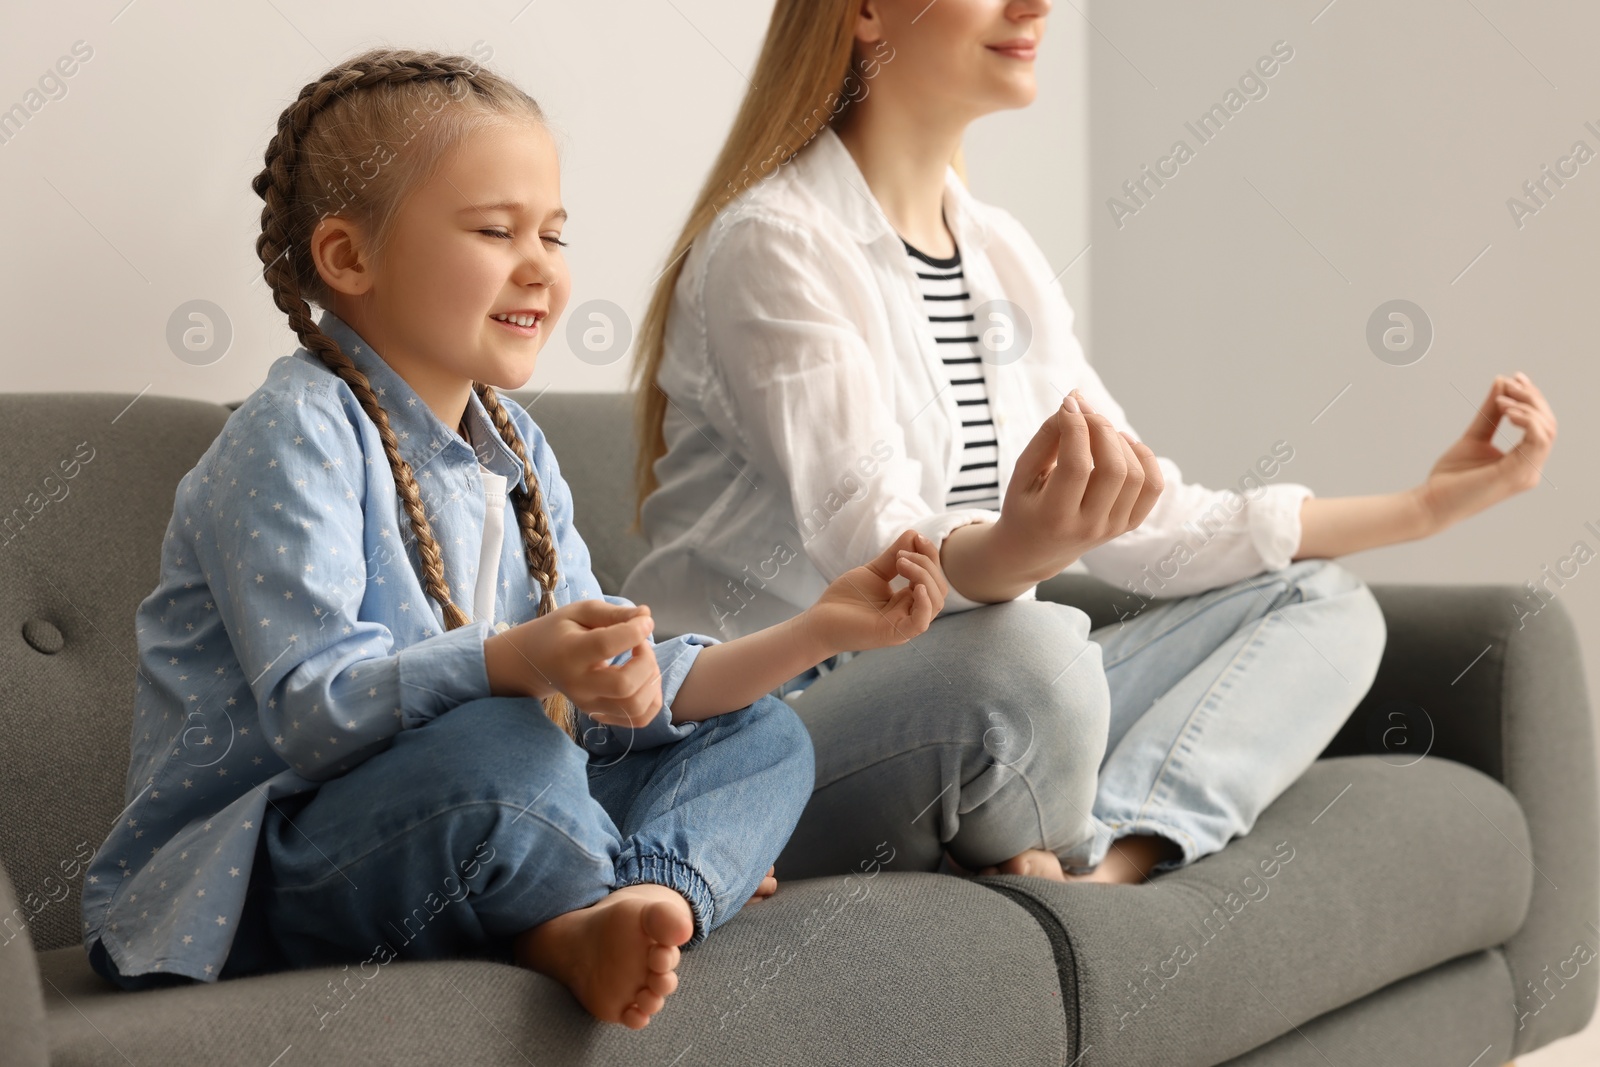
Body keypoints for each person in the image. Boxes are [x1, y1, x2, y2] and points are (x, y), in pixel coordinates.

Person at [78, 47, 948, 1031]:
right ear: (348, 258)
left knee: (762, 734)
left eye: (554, 234)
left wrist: (815, 632)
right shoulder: (296, 431)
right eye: (496, 230)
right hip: (269, 871)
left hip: (493, 805)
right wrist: (513, 660)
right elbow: (313, 712)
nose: (539, 263)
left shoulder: (517, 448)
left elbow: (613, 685)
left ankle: (629, 898)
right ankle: (603, 890)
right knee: (506, 747)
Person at [624, 0, 1559, 886]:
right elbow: (874, 551)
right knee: (1038, 656)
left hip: (970, 688)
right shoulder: (772, 245)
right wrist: (1024, 549)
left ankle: (1100, 865)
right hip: (775, 724)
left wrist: (1428, 506)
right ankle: (1028, 825)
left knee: (1325, 605)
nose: (1036, 5)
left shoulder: (1000, 257)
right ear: (863, 10)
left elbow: (1151, 521)